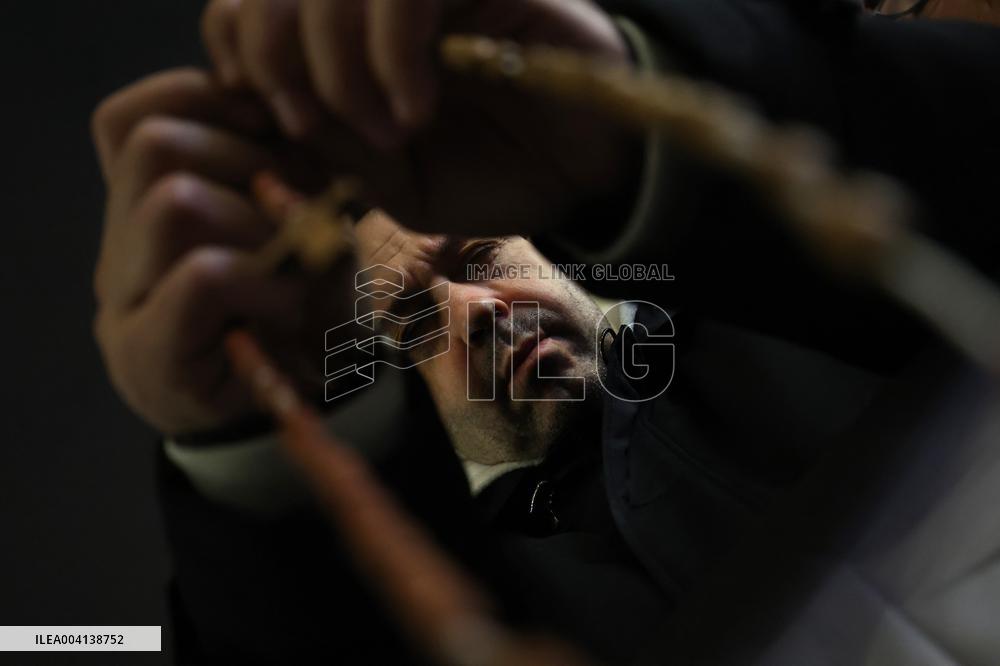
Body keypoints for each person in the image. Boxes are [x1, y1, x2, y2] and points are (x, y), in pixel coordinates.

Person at [91, 0, 1000, 663]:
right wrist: (261, 458)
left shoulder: (789, 305)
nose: (476, 309)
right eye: (412, 319)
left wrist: (633, 128)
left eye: (480, 256)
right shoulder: (482, 591)